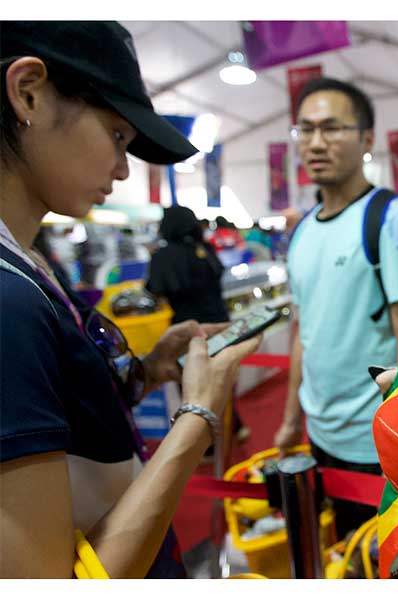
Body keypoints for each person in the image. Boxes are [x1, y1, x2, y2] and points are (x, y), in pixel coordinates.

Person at [0, 22, 261, 578]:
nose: (123, 169)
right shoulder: (7, 299)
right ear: (28, 93)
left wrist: (145, 371)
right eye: (117, 136)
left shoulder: (28, 263)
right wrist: (197, 417)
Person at [273, 77, 398, 537]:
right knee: (339, 550)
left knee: (384, 559)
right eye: (305, 130)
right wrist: (291, 420)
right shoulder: (304, 230)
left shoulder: (394, 219)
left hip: (376, 444)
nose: (316, 143)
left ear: (367, 138)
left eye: (332, 128)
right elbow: (303, 333)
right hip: (320, 432)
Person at [146, 205, 229, 326]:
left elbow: (156, 290)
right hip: (219, 321)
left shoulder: (163, 256)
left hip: (187, 327)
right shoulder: (205, 248)